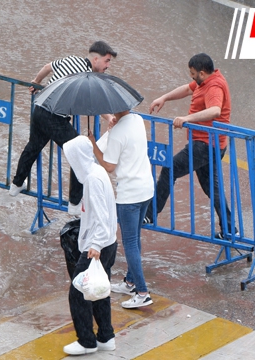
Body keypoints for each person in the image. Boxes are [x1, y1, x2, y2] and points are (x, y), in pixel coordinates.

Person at [9, 41, 117, 215]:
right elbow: (93, 104)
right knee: (80, 153)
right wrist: (110, 117)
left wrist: (36, 81)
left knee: (33, 147)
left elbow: (47, 67)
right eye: (107, 61)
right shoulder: (87, 77)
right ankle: (74, 203)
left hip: (39, 108)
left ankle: (16, 184)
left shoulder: (70, 59)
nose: (108, 66)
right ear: (95, 59)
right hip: (55, 118)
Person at [145, 53, 236, 239]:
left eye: (193, 73)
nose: (191, 77)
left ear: (202, 73)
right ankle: (228, 229)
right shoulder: (207, 80)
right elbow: (187, 89)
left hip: (205, 145)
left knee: (170, 169)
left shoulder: (214, 87)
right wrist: (164, 98)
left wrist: (186, 119)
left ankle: (149, 214)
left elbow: (215, 110)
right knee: (212, 187)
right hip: (210, 144)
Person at [90, 109, 154, 309]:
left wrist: (93, 144)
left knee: (130, 243)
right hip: (146, 189)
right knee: (135, 238)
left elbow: (109, 166)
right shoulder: (138, 119)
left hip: (129, 195)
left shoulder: (117, 133)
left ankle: (142, 292)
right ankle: (130, 282)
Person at [62, 136, 118, 355]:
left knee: (78, 291)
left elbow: (101, 216)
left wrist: (94, 245)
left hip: (98, 246)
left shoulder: (93, 180)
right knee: (99, 290)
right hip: (107, 243)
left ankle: (86, 341)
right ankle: (106, 336)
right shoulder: (96, 173)